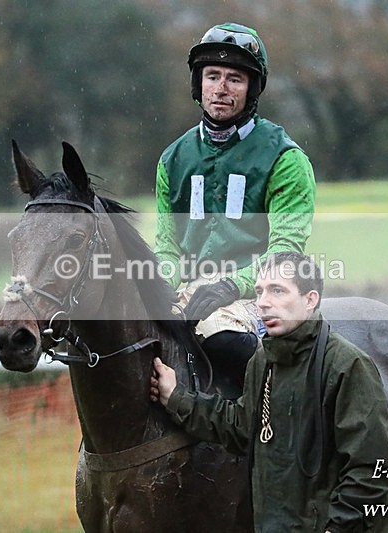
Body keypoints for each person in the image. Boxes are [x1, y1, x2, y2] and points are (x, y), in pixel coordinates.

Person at [150, 251, 388, 532]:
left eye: (277, 291)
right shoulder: (263, 361)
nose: (264, 303)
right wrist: (176, 397)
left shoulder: (347, 365)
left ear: (310, 300)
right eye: (259, 292)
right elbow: (241, 427)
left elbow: (371, 472)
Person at [154, 22, 316, 379]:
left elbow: (285, 253)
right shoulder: (172, 159)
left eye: (235, 79)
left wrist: (231, 284)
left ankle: (274, 429)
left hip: (257, 295)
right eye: (212, 76)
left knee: (222, 341)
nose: (221, 89)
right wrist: (158, 286)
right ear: (198, 84)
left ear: (252, 89)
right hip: (191, 294)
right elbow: (167, 248)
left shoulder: (286, 159)